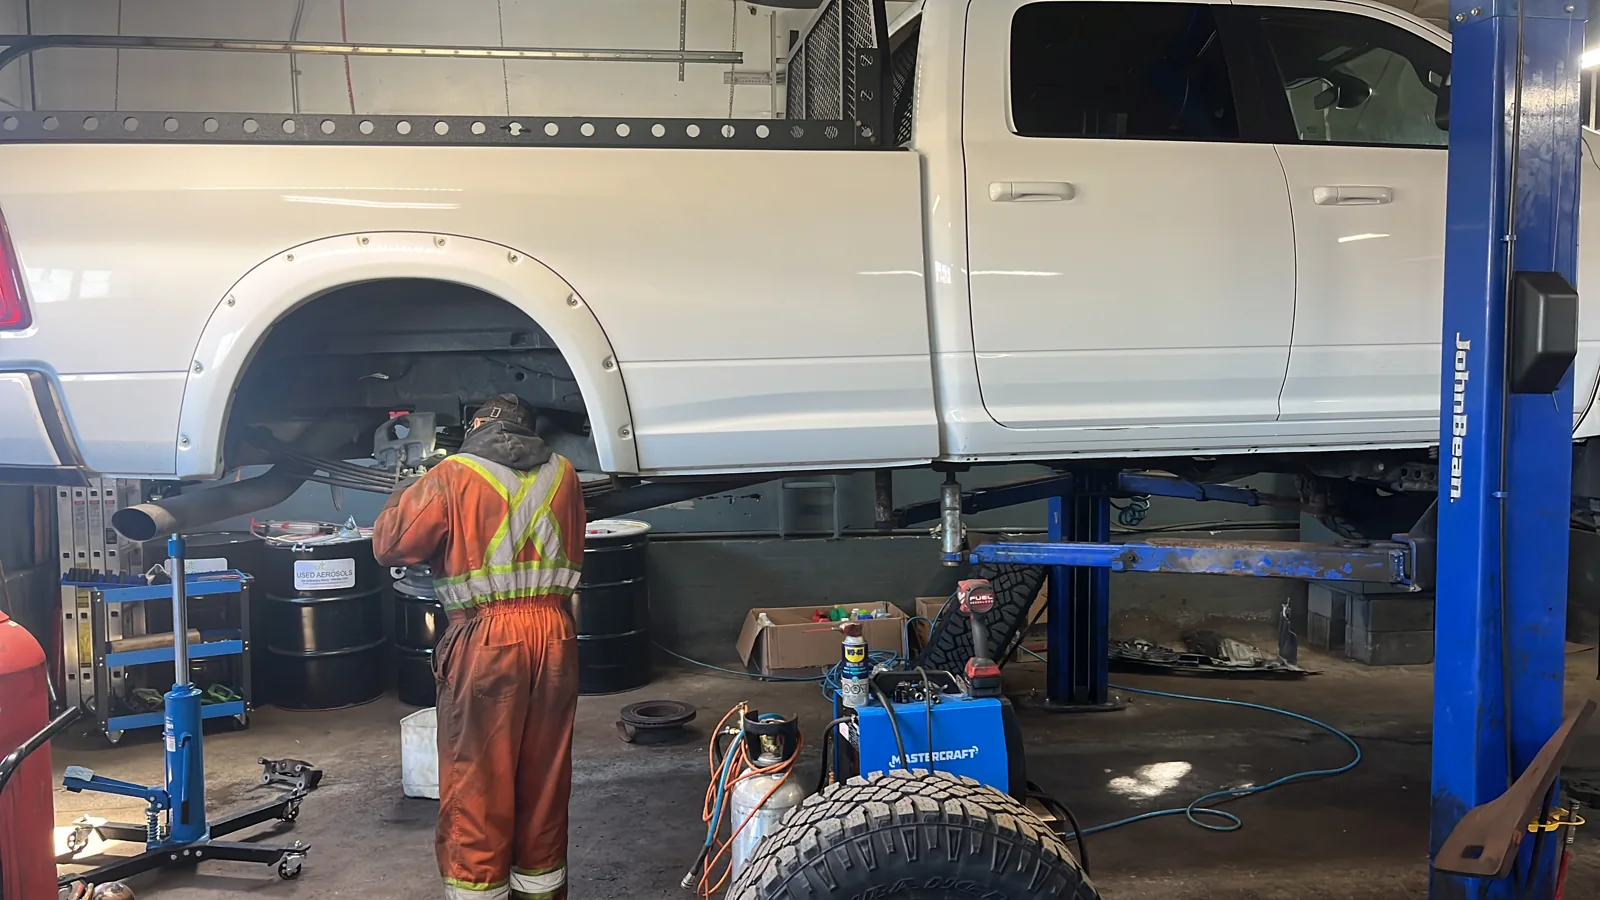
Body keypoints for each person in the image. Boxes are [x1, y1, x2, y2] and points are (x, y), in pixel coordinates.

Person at [373, 394, 585, 900]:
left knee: (478, 784)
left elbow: (391, 545)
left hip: (488, 640)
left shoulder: (452, 475)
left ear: (476, 426)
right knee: (544, 781)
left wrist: (404, 488)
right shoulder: (566, 473)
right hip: (555, 636)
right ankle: (541, 891)